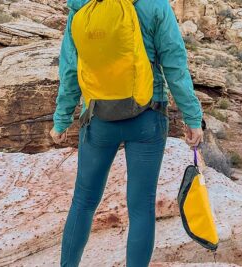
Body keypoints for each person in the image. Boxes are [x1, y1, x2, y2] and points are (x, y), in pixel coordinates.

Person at [49, 0, 204, 266]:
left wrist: (61, 120)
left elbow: (71, 69)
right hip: (147, 116)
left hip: (98, 118)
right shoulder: (155, 5)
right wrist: (192, 117)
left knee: (83, 201)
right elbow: (175, 64)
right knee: (141, 207)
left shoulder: (82, 6)